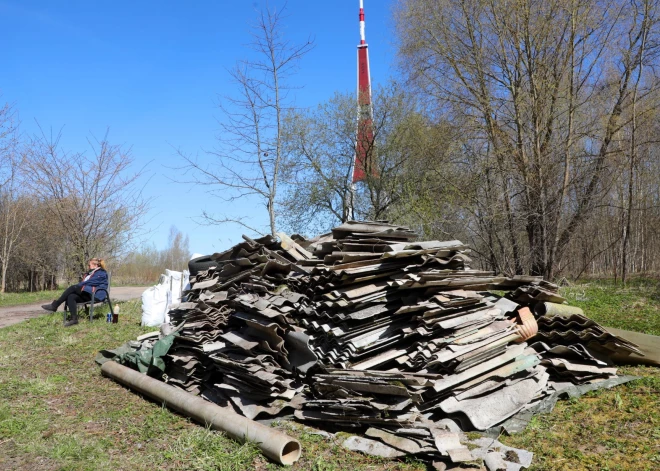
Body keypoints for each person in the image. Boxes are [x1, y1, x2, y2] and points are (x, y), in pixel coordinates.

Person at [42, 258, 109, 327]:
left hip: (96, 294)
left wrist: (78, 286)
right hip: (88, 293)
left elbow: (90, 282)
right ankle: (74, 319)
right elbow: (85, 284)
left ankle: (55, 305)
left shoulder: (101, 273)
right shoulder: (88, 274)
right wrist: (79, 286)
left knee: (73, 287)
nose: (88, 267)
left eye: (89, 265)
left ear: (96, 265)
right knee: (71, 296)